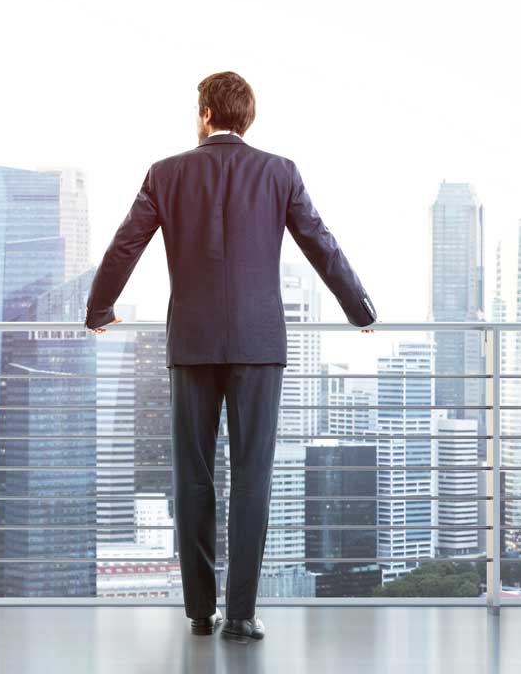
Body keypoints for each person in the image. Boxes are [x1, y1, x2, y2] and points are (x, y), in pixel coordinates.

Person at [84, 71, 376, 642]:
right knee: (252, 478)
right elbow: (320, 242)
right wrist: (359, 308)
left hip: (192, 344)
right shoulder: (279, 172)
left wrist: (100, 308)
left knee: (192, 477)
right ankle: (240, 615)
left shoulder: (166, 172)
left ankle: (199, 612)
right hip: (258, 345)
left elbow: (126, 243)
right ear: (247, 117)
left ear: (204, 114)